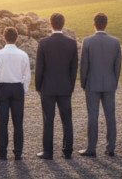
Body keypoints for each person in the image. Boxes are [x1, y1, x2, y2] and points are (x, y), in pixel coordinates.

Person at [35, 13, 78, 160]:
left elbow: (39, 67)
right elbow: (74, 69)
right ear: (63, 24)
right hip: (65, 86)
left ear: (50, 24)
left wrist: (38, 87)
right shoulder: (72, 43)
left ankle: (48, 151)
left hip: (47, 87)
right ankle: (68, 151)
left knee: (48, 119)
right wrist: (70, 86)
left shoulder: (43, 43)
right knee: (67, 119)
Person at [78, 12, 122, 158]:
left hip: (92, 84)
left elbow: (84, 64)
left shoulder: (87, 41)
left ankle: (91, 148)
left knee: (93, 116)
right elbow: (117, 65)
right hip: (109, 83)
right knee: (110, 116)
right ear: (106, 24)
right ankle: (111, 148)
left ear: (94, 23)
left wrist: (83, 83)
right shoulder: (115, 42)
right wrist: (114, 82)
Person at [0, 26, 30, 161]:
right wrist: (23, 89)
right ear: (17, 38)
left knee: (3, 121)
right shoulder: (23, 55)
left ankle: (2, 152)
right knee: (18, 122)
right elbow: (27, 76)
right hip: (18, 88)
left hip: (3, 88)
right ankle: (18, 152)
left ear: (3, 38)